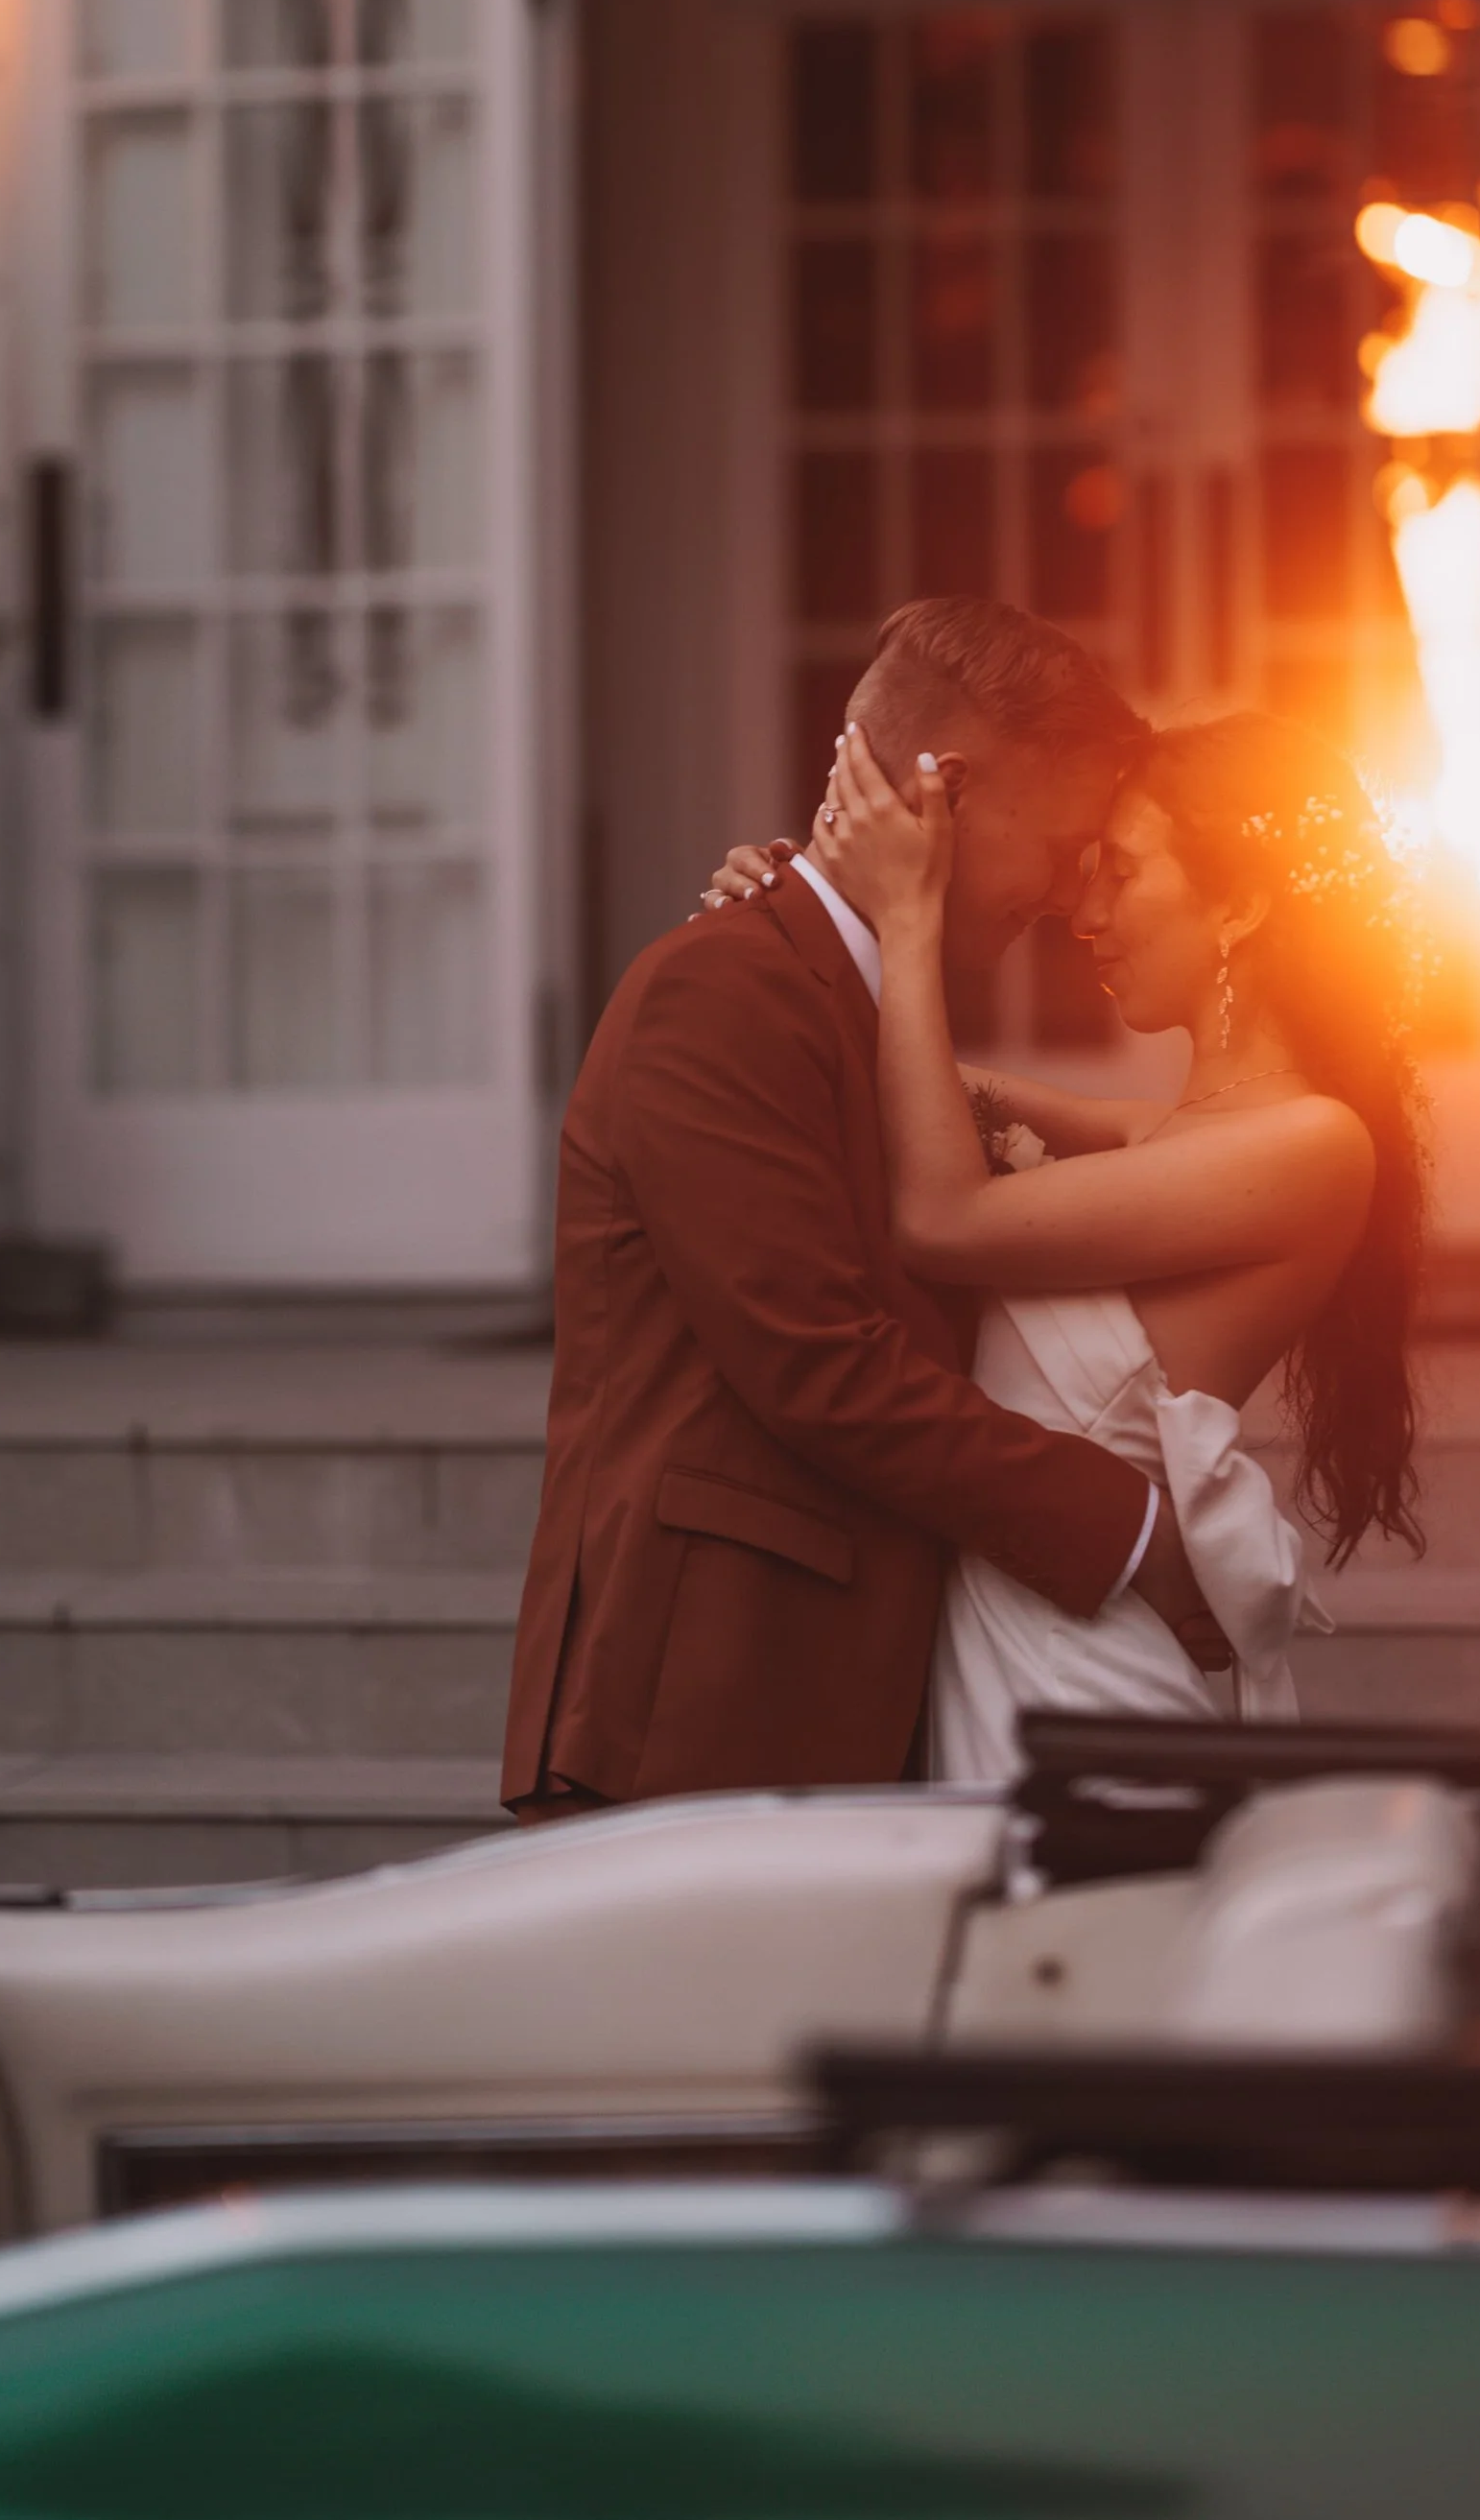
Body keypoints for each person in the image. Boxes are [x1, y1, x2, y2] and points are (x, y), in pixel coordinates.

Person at [501, 597, 1229, 1821]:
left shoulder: (880, 1013)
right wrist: (1132, 1533)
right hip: (705, 1701)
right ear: (944, 792)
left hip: (843, 1687)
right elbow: (821, 1363)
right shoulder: (719, 988)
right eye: (1063, 844)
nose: (1070, 895)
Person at [743, 705, 1424, 1756]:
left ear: (1239, 905)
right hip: (1012, 1628)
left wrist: (911, 919)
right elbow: (905, 1080)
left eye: (1123, 872)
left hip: (1077, 1673)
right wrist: (795, 924)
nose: (1085, 912)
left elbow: (942, 1219)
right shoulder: (1159, 1133)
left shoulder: (1314, 1145)